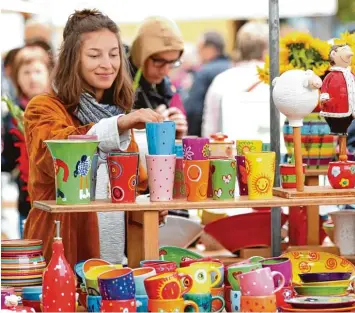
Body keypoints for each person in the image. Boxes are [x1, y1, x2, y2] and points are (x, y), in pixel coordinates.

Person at [23, 9, 167, 267]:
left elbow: (136, 184)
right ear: (71, 60)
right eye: (94, 55)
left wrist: (150, 204)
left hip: (112, 262)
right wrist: (119, 124)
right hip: (60, 252)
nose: (107, 64)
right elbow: (58, 156)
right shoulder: (43, 107)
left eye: (114, 55)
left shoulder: (115, 113)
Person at [3, 54, 51, 237]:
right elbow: (7, 159)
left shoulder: (58, 108)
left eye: (38, 71)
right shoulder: (13, 115)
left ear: (49, 74)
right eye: (26, 73)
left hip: (54, 197)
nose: (32, 78)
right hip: (26, 200)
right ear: (17, 78)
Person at [201, 21, 269, 137]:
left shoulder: (221, 80)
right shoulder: (275, 80)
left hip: (229, 152)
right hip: (270, 152)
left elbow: (210, 129)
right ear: (266, 51)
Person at [129, 16, 188, 139]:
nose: (165, 70)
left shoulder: (165, 88)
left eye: (172, 62)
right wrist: (144, 122)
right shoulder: (117, 80)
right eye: (159, 61)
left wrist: (176, 134)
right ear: (141, 54)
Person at [184, 31, 232, 137]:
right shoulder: (233, 68)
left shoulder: (204, 72)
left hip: (210, 136)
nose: (198, 53)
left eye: (200, 48)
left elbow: (193, 110)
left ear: (210, 48)